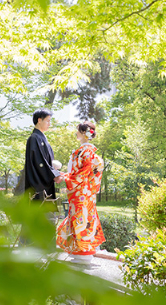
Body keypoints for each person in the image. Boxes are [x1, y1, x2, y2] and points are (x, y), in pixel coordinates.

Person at [56, 121, 105, 265]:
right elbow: (78, 173)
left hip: (81, 192)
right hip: (83, 192)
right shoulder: (86, 150)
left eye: (78, 130)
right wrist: (66, 175)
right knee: (80, 219)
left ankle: (83, 252)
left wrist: (65, 177)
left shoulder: (86, 151)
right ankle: (78, 251)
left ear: (84, 133)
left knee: (82, 220)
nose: (76, 133)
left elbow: (82, 173)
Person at [24, 108, 62, 201]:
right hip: (37, 182)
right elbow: (39, 161)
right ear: (39, 120)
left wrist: (54, 171)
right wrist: (54, 175)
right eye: (48, 121)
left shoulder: (41, 137)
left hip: (43, 180)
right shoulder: (34, 138)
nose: (49, 124)